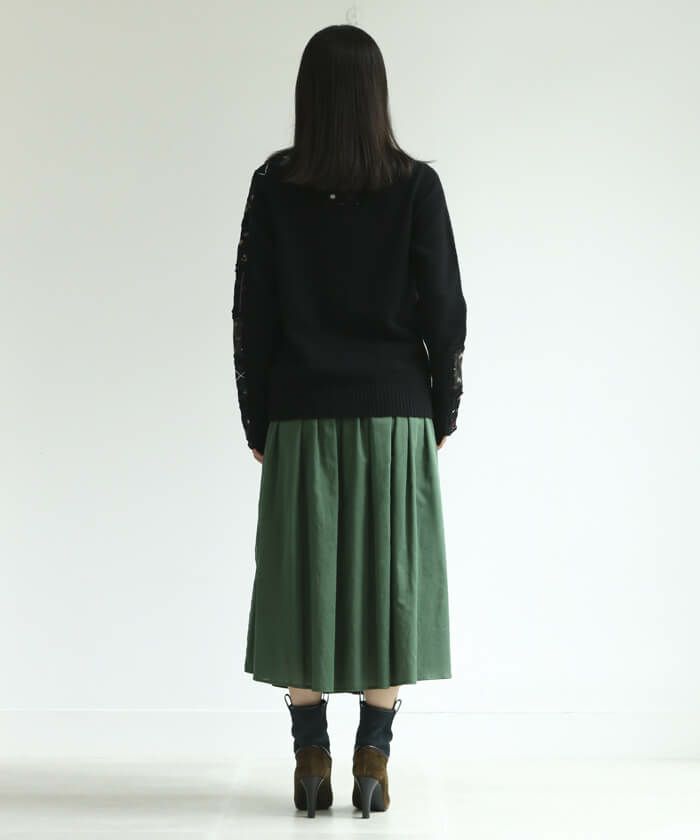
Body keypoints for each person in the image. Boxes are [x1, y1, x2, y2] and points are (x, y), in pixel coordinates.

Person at [232, 23, 467, 820]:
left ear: (308, 96)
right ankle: (374, 756)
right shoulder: (416, 186)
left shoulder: (274, 185)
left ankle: (310, 757)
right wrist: (442, 410)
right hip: (395, 414)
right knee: (390, 585)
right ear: (377, 95)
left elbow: (251, 314)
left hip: (301, 413)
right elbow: (446, 311)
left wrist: (258, 422)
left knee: (303, 582)